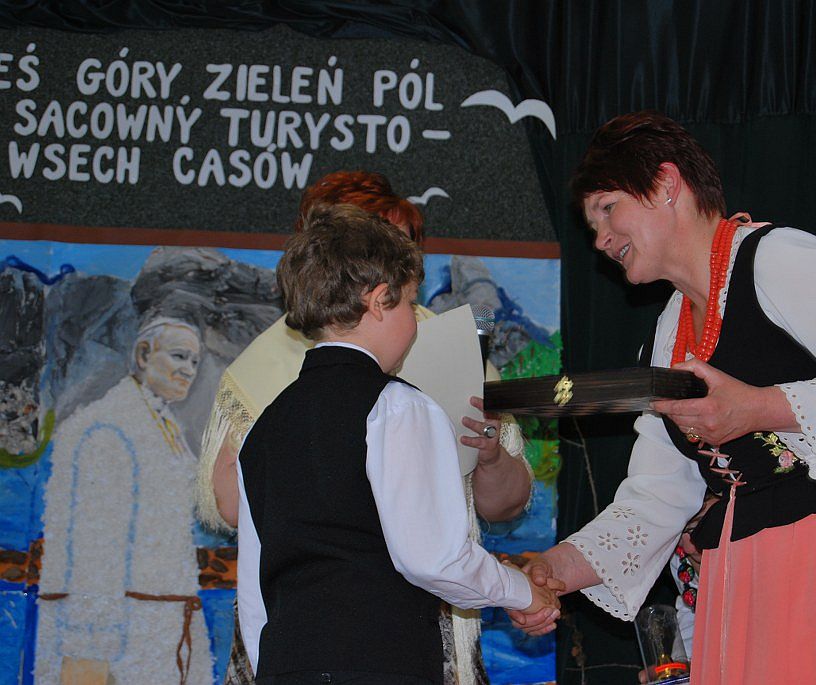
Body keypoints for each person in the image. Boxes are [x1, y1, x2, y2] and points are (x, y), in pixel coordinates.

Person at [510, 111, 816, 683]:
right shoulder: (667, 335)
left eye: (608, 208)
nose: (600, 240)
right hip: (751, 563)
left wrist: (759, 407)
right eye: (592, 224)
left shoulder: (777, 257)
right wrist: (553, 568)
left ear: (666, 184)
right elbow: (658, 496)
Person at [195, 171, 532, 684]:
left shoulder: (273, 418)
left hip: (296, 653)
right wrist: (522, 592)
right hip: (384, 648)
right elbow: (430, 558)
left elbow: (256, 583)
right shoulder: (396, 403)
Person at [35, 316, 212, 685]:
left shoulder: (163, 425)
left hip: (158, 628)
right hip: (115, 639)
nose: (188, 370)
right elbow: (92, 547)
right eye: (179, 356)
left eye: (195, 361)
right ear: (144, 355)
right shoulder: (108, 428)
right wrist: (89, 649)